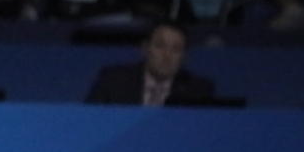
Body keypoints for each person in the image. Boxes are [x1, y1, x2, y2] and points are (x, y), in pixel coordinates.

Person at [84, 20, 216, 106]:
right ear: (145, 49)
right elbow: (91, 120)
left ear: (184, 56)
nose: (167, 55)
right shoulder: (113, 81)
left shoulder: (198, 90)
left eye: (176, 49)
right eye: (160, 46)